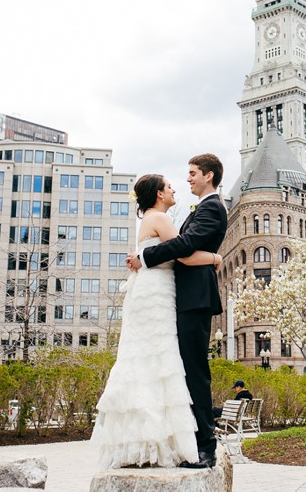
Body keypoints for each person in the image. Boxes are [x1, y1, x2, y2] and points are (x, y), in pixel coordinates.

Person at [91, 173, 223, 469]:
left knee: (148, 362)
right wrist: (216, 259)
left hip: (150, 291)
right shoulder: (160, 219)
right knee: (162, 363)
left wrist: (143, 256)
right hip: (159, 293)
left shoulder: (150, 219)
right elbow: (185, 255)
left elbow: (173, 251)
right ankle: (167, 440)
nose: (175, 187)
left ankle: (146, 440)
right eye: (169, 186)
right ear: (160, 195)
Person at [127, 154, 227, 470]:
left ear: (208, 176)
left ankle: (206, 448)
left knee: (195, 371)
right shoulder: (202, 208)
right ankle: (192, 441)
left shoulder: (213, 207)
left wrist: (145, 256)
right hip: (184, 298)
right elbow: (185, 245)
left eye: (193, 173)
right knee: (185, 370)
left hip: (195, 298)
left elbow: (185, 245)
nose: (188, 179)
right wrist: (212, 258)